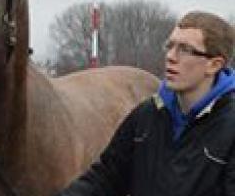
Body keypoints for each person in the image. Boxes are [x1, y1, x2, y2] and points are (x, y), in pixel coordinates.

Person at [56, 11, 235, 196]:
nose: (171, 56)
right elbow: (104, 178)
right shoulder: (146, 116)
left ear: (214, 65)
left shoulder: (229, 129)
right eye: (170, 45)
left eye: (185, 50)